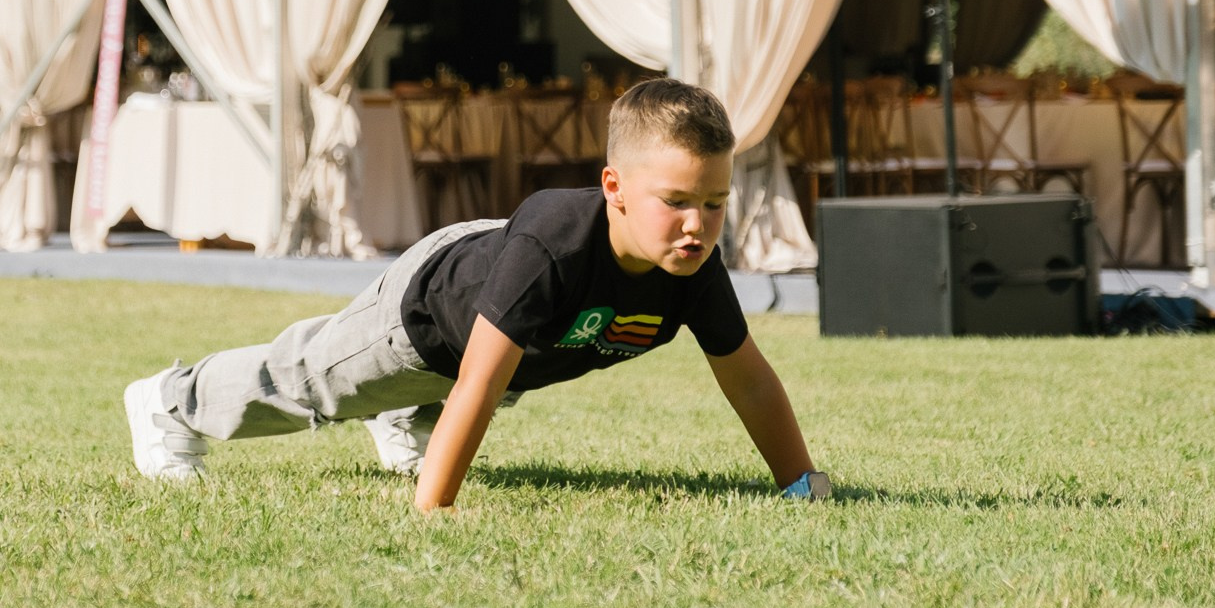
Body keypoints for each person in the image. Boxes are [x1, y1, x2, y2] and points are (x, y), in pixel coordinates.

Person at [123, 78, 831, 510]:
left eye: (715, 201)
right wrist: (435, 509)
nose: (698, 224)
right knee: (317, 383)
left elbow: (752, 386)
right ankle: (169, 401)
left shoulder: (690, 266)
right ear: (613, 187)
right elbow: (479, 382)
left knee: (500, 362)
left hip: (501, 305)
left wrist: (802, 487)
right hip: (429, 309)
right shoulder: (556, 247)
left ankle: (402, 415)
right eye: (676, 199)